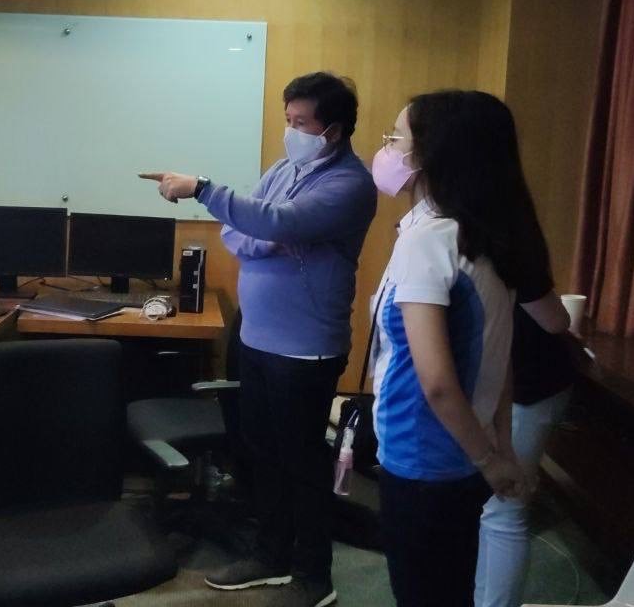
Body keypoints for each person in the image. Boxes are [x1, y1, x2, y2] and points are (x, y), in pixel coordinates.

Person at [141, 72, 377, 607]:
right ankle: (271, 556)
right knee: (261, 455)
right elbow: (243, 230)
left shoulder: (349, 184)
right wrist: (268, 233)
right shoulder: (284, 168)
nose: (291, 131)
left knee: (302, 464)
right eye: (287, 119)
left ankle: (314, 576)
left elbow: (274, 221)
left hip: (305, 350)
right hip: (257, 339)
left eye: (302, 122)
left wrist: (205, 190)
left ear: (334, 130)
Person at [368, 91, 528, 607]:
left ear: (433, 154)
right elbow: (501, 357)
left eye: (396, 139)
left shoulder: (429, 240)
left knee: (424, 592)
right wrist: (498, 449)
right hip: (462, 456)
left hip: (423, 458)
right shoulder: (486, 233)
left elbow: (436, 382)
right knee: (450, 588)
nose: (387, 150)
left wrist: (491, 459)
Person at [474, 207, 578, 603]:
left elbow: (553, 320)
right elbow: (557, 320)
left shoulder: (501, 236)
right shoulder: (496, 230)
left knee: (503, 510)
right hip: (501, 383)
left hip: (528, 385)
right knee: (494, 510)